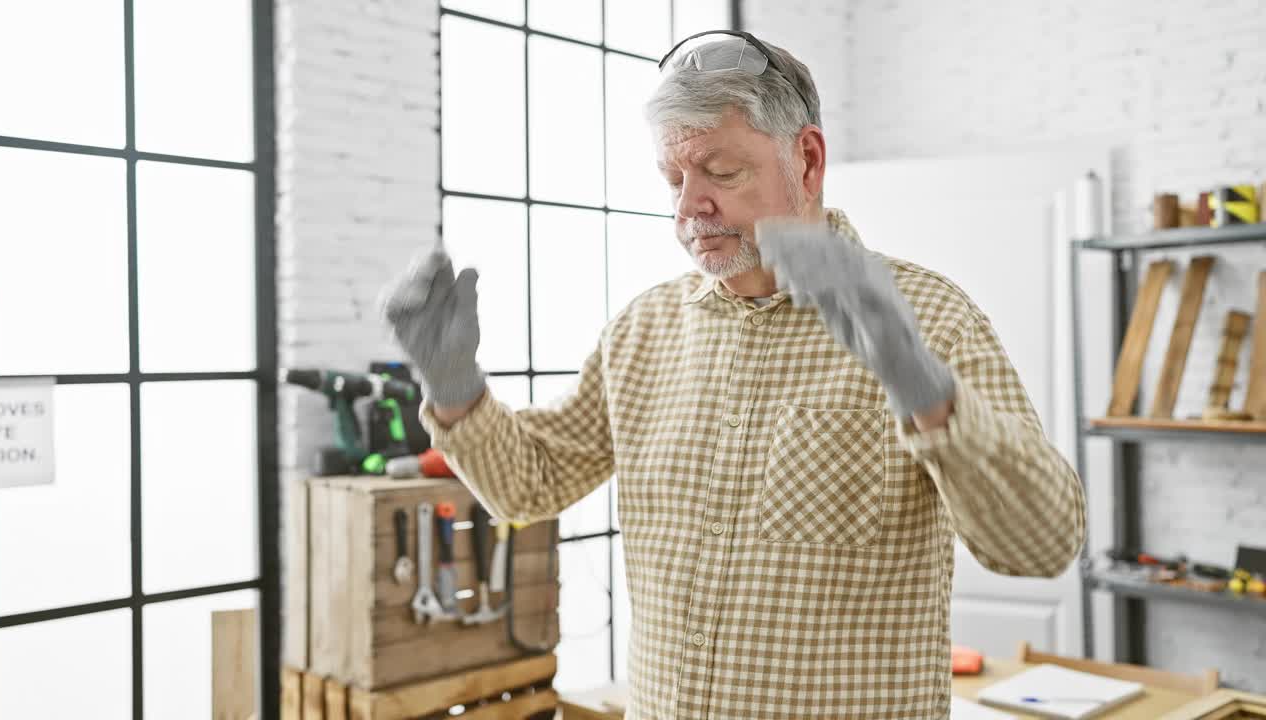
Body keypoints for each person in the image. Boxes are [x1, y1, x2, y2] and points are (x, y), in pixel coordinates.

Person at [380, 30, 1085, 720]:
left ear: (807, 161)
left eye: (721, 172)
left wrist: (927, 394)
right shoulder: (643, 330)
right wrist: (453, 386)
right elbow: (529, 484)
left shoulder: (930, 317)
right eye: (673, 179)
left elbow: (1042, 544)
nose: (689, 207)